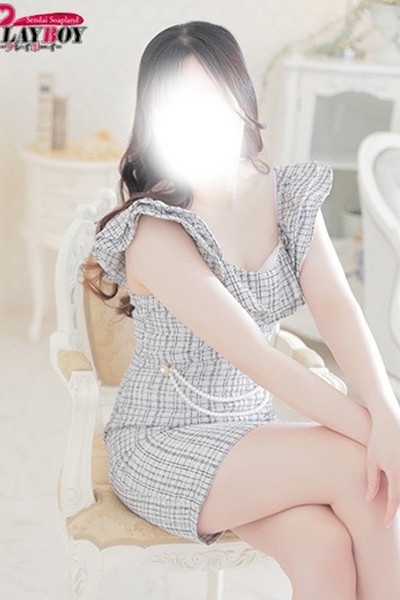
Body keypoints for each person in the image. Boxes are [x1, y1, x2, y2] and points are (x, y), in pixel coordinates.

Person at [83, 20, 400, 600]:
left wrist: (386, 408)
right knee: (362, 467)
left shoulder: (286, 196)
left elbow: (337, 307)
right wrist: (375, 430)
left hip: (249, 433)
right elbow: (257, 357)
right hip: (162, 443)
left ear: (241, 95)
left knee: (325, 548)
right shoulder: (156, 230)